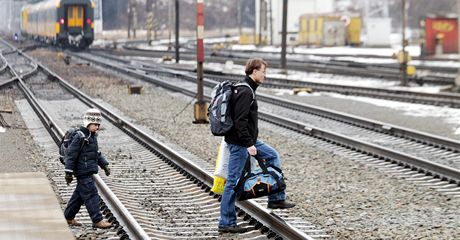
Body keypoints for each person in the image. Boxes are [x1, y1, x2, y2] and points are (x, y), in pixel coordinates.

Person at [218, 58, 295, 233]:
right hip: (240, 143)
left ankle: (276, 198)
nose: (265, 75)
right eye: (263, 72)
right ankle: (226, 222)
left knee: (272, 155)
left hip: (246, 140)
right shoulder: (245, 92)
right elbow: (240, 122)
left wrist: (250, 142)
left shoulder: (247, 89)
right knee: (232, 182)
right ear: (254, 72)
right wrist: (248, 145)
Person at [64, 108, 112, 229]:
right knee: (91, 194)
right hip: (82, 172)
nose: (97, 127)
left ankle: (68, 217)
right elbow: (71, 155)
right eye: (95, 124)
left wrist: (104, 165)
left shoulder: (92, 136)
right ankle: (97, 220)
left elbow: (96, 153)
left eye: (98, 124)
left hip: (87, 171)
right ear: (87, 123)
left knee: (79, 196)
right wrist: (68, 172)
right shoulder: (80, 137)